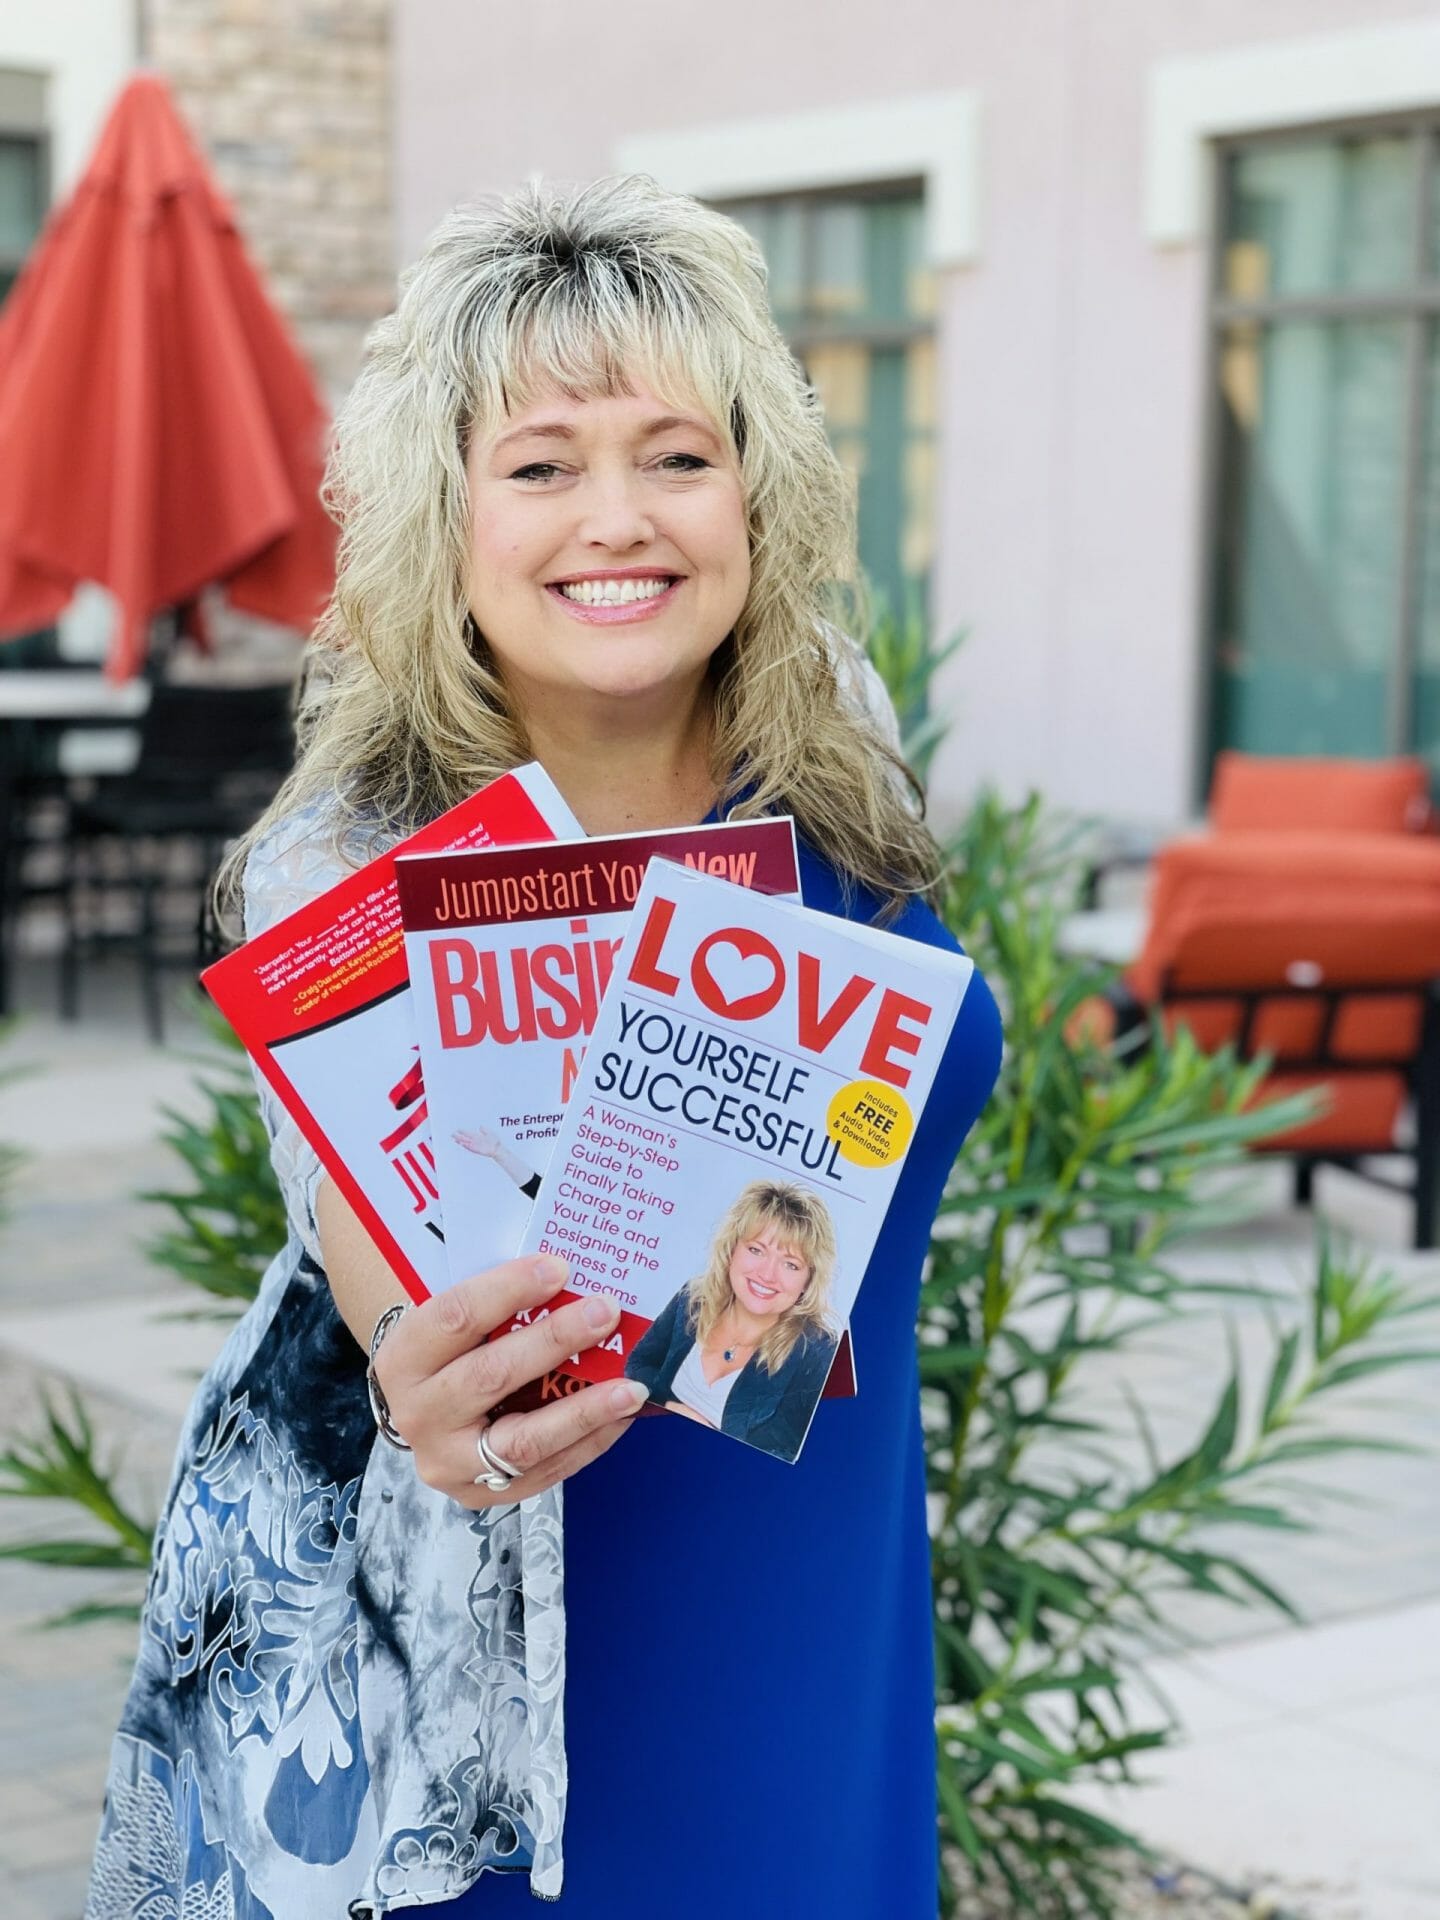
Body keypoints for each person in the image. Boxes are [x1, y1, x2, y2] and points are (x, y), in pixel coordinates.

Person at [85, 175, 1002, 1920]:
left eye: (678, 452)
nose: (620, 518)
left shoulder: (836, 730)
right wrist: (432, 1387)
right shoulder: (345, 858)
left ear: (759, 486)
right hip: (540, 1647)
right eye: (541, 463)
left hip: (823, 1568)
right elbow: (368, 1244)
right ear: (446, 515)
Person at [626, 1179, 839, 1461]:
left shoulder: (817, 1351)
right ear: (732, 1250)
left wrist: (708, 1430)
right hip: (645, 1453)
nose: (767, 1274)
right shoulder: (693, 1298)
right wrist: (670, 1407)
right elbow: (640, 1364)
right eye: (756, 1250)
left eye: (790, 1264)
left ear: (808, 1279)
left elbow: (797, 1452)